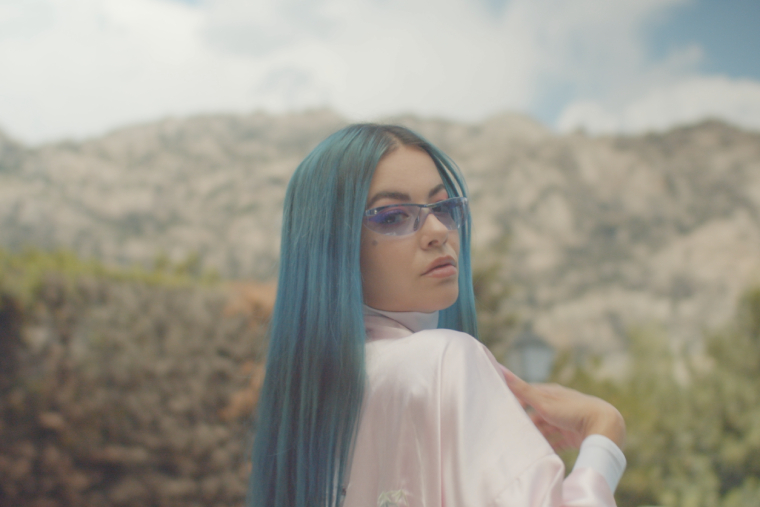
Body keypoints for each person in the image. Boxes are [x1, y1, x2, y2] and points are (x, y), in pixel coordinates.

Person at [248, 124, 626, 507]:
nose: (438, 231)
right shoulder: (444, 361)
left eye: (443, 208)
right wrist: (603, 438)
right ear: (335, 244)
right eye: (393, 216)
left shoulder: (309, 414)